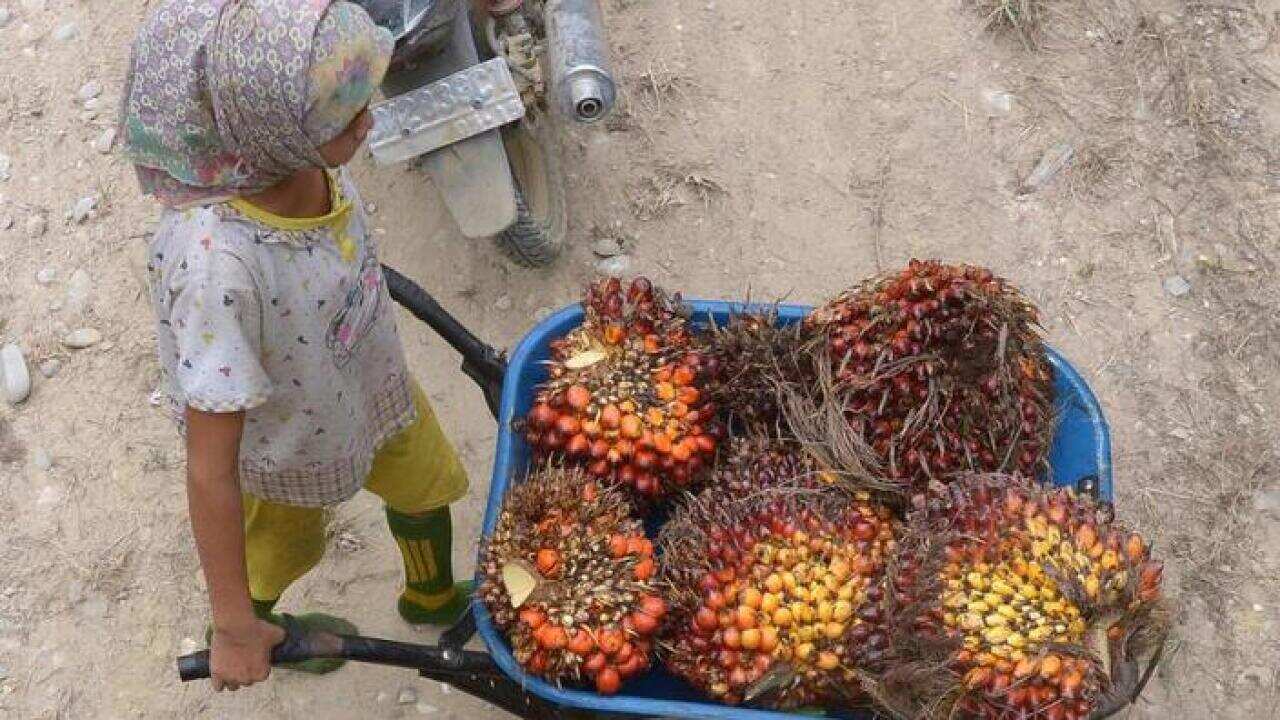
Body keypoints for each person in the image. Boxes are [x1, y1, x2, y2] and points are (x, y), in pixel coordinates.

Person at [119, 0, 472, 693]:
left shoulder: (298, 150)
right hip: (284, 444)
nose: (368, 120)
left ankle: (431, 597)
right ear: (277, 133)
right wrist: (228, 628)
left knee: (425, 485)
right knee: (276, 552)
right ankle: (258, 625)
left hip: (370, 381)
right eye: (349, 118)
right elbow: (209, 467)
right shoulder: (218, 272)